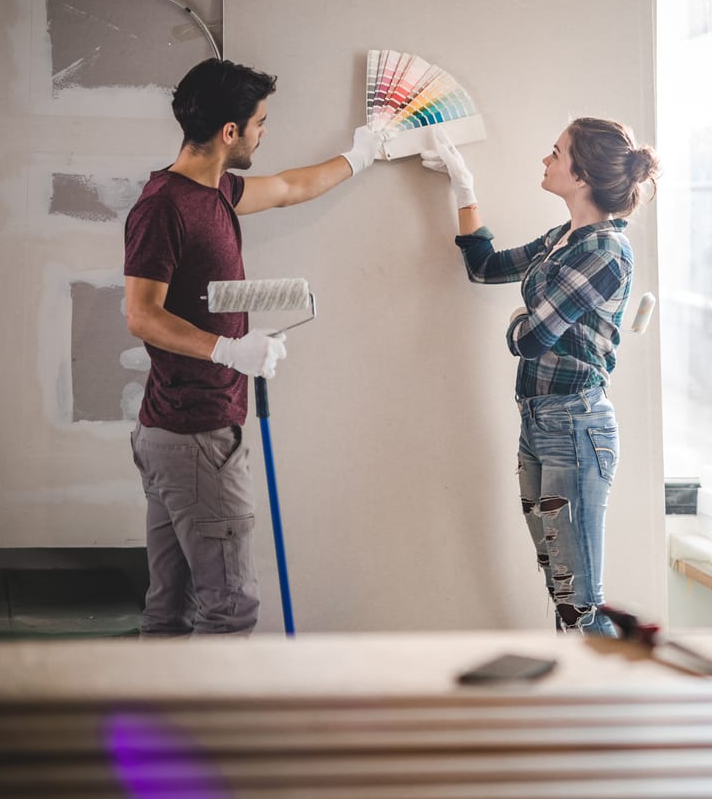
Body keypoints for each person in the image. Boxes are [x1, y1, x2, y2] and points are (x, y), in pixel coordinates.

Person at [124, 58, 382, 635]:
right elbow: (141, 315)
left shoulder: (213, 192)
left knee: (171, 609)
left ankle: (153, 723)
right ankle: (220, 726)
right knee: (229, 608)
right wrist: (227, 351)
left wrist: (364, 152)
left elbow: (292, 187)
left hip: (176, 432)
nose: (266, 132)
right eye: (261, 122)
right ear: (230, 132)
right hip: (196, 436)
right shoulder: (164, 207)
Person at [420, 118, 660, 635]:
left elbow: (531, 339)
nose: (545, 160)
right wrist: (464, 187)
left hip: (574, 427)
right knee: (562, 591)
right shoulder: (563, 238)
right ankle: (579, 708)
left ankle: (609, 706)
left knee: (580, 603)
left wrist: (517, 326)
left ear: (581, 175)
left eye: (556, 153)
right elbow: (484, 267)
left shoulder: (604, 253)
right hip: (539, 423)